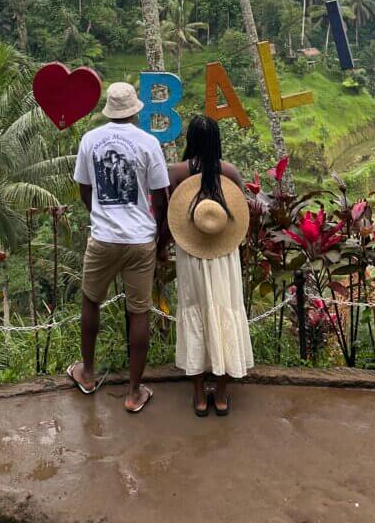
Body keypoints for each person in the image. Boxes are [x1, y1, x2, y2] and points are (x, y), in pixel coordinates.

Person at [68, 81, 169, 413]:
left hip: (103, 238)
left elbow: (84, 188)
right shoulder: (149, 143)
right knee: (138, 311)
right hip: (140, 240)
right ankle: (134, 392)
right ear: (136, 110)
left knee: (91, 300)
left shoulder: (90, 140)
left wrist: (99, 213)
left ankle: (86, 372)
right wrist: (160, 236)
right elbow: (160, 197)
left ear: (109, 109)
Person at [167, 115, 253, 416]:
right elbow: (241, 213)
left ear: (190, 140)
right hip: (223, 252)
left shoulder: (176, 172)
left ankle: (199, 397)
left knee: (195, 314)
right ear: (217, 141)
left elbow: (170, 214)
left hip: (191, 254)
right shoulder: (228, 171)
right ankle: (221, 395)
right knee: (223, 314)